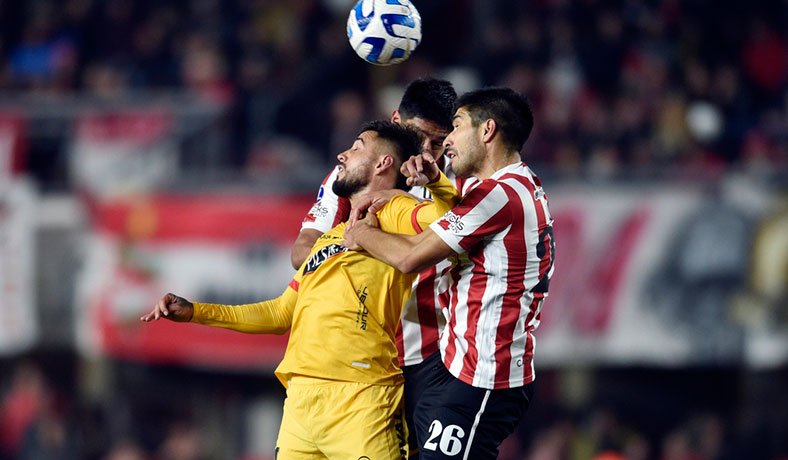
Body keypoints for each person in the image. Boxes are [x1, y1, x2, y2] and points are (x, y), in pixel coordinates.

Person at [141, 121, 461, 460]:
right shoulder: (329, 238)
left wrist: (436, 184)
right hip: (300, 402)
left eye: (357, 146)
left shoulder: (393, 212)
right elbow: (280, 313)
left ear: (383, 163)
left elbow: (455, 220)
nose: (343, 154)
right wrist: (196, 312)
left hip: (360, 399)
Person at [343, 87, 555, 459]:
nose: (448, 142)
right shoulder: (522, 184)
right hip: (464, 369)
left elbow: (410, 257)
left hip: (484, 377)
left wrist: (361, 232)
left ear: (487, 131)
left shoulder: (496, 195)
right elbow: (457, 210)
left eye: (456, 127)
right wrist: (433, 185)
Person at [291, 77, 472, 458]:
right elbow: (302, 251)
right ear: (395, 120)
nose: (426, 151)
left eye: (438, 143)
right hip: (361, 362)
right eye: (418, 136)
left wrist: (376, 239)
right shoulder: (355, 176)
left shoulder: (455, 186)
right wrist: (356, 249)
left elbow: (461, 244)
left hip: (432, 355)